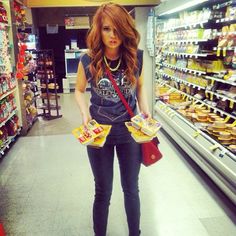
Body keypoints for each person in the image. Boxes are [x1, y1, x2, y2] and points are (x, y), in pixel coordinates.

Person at [75, 3, 150, 236]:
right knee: (103, 191)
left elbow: (139, 90)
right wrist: (85, 115)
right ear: (99, 29)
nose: (113, 35)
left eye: (118, 29)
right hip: (99, 132)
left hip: (129, 131)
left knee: (131, 189)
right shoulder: (88, 60)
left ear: (125, 29)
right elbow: (78, 90)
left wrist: (145, 113)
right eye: (107, 29)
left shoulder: (135, 57)